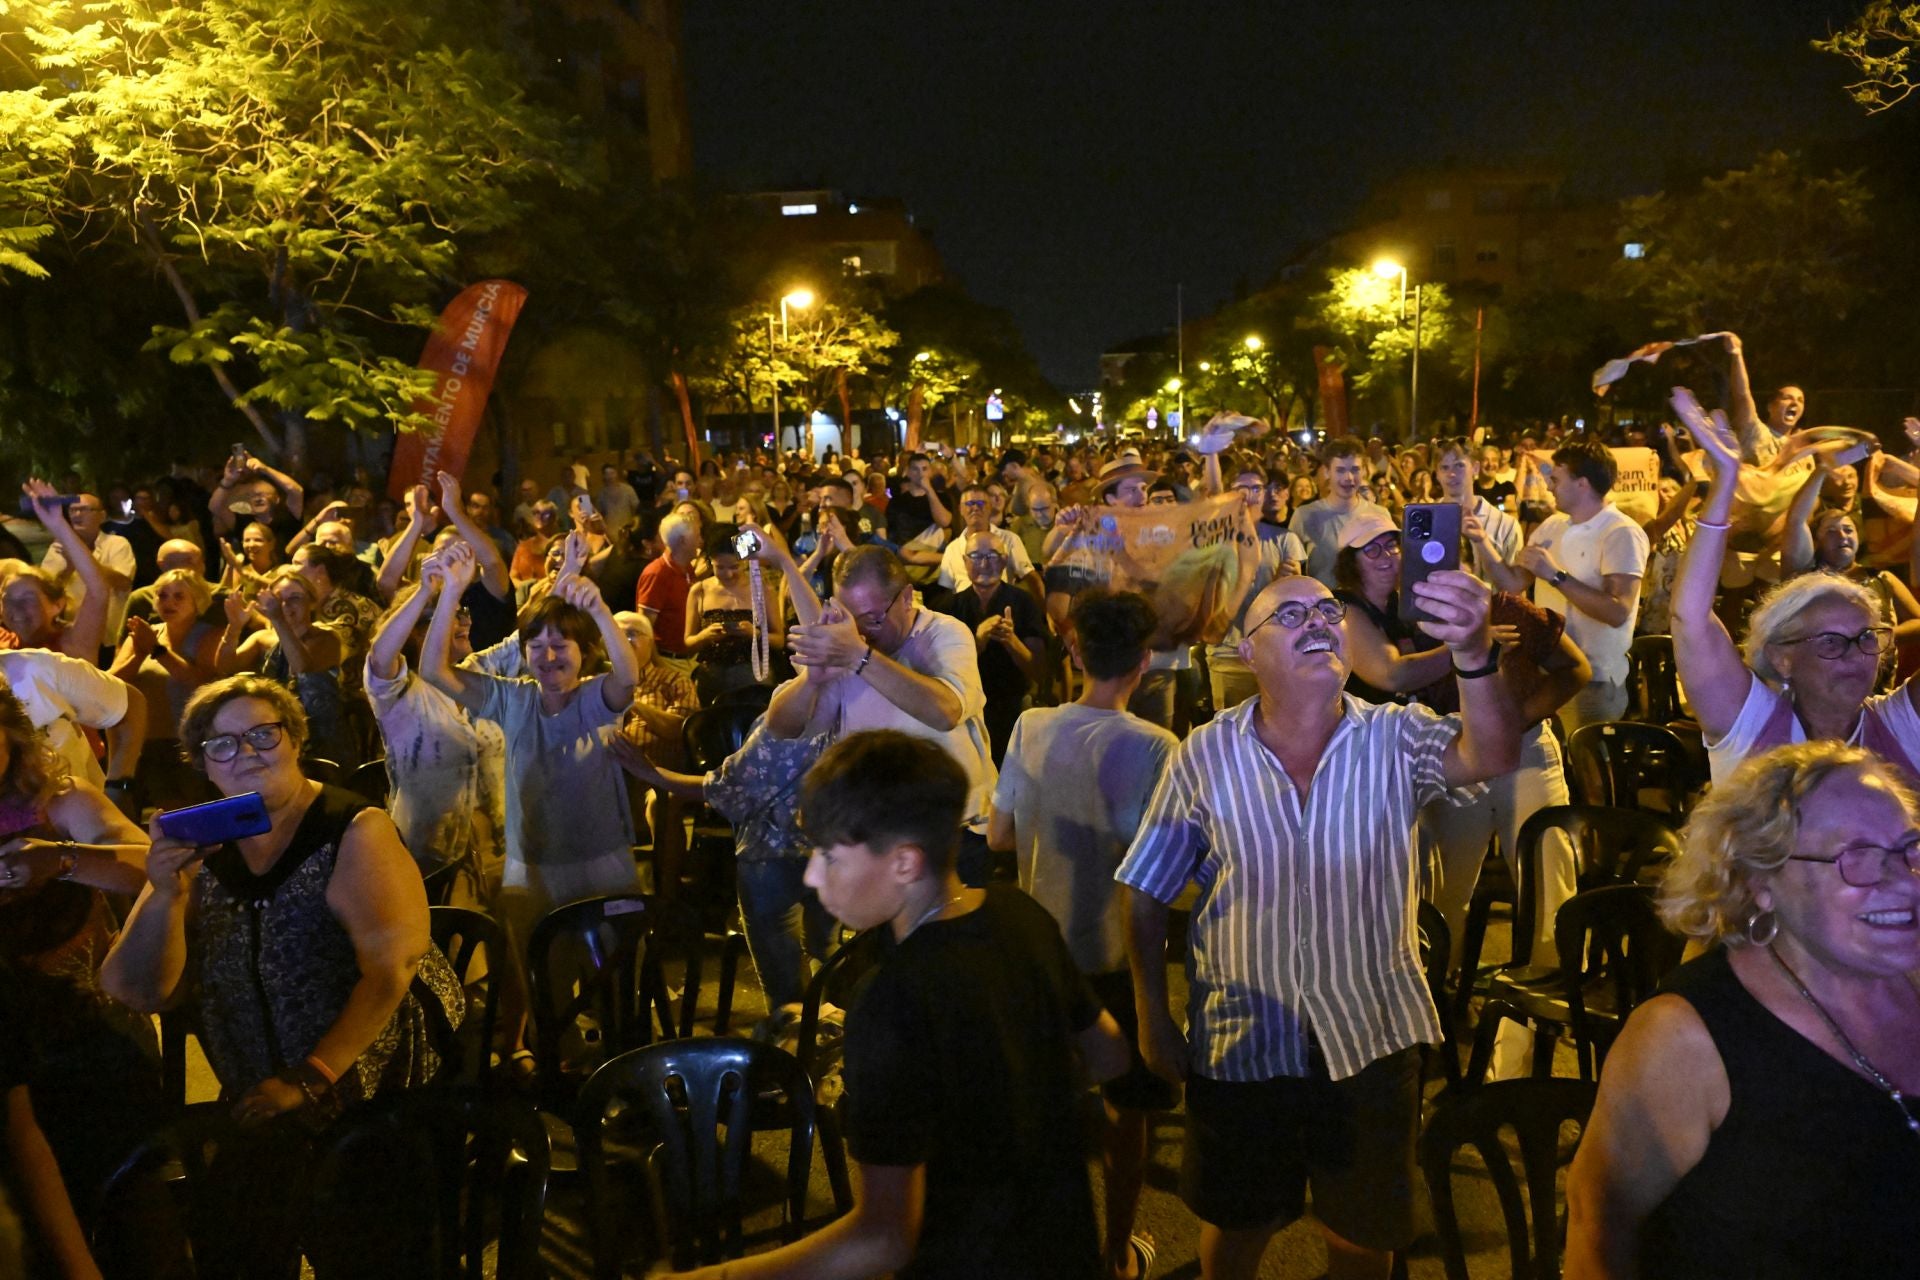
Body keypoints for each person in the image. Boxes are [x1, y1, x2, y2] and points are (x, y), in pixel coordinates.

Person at [1118, 568, 1519, 1280]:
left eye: (1328, 611)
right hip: (1242, 1040)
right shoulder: (1204, 755)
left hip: (1369, 1039)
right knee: (1239, 1224)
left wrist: (1474, 653)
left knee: (1364, 1238)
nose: (1318, 622)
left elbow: (1491, 753)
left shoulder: (1393, 738)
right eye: (1291, 614)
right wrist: (1153, 1016)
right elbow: (1146, 889)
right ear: (1249, 653)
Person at [678, 730, 1130, 1280]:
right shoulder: (1022, 917)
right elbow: (1109, 1054)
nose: (812, 875)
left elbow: (885, 1238)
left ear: (904, 863)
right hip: (1064, 1246)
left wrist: (720, 1277)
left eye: (828, 855)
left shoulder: (890, 1002)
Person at [100, 675, 463, 1278]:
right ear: (205, 766)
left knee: (353, 1239)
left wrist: (311, 1078)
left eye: (262, 735)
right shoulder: (204, 848)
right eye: (224, 745)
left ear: (295, 740)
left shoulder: (352, 829)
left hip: (373, 1083)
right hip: (262, 1087)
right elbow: (136, 990)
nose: (245, 754)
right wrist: (165, 892)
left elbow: (390, 970)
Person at [1564, 742, 1920, 1278]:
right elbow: (1598, 1224)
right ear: (1761, 882)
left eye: (1910, 849)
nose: (1904, 882)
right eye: (1857, 857)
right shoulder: (1687, 1037)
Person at [988, 589, 1176, 1280]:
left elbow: (1001, 835)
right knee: (1128, 1109)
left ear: (1073, 651)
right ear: (1146, 661)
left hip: (1040, 951)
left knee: (1043, 1105)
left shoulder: (1032, 726)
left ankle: (1042, 1246)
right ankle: (1114, 1250)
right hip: (1115, 954)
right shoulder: (1158, 747)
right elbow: (1165, 867)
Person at [1668, 389, 1920, 784]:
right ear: (1781, 657)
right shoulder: (1750, 723)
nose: (1856, 656)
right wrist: (1724, 485)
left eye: (1868, 637)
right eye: (1831, 642)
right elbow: (1690, 617)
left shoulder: (1900, 724)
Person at [0, 684, 160, 1267]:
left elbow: (150, 869)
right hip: (10, 1051)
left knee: (127, 1208)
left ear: (12, 738)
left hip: (92, 1038)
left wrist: (60, 860)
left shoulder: (55, 800)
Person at [417, 547, 641, 948]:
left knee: (616, 979)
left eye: (561, 645)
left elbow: (627, 678)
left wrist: (601, 611)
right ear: (523, 654)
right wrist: (451, 591)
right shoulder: (512, 699)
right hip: (531, 865)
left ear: (584, 653)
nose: (548, 656)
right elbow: (434, 671)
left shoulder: (595, 697)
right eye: (536, 646)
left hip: (601, 859)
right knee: (544, 986)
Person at [770, 546, 996, 879]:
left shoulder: (944, 633)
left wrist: (860, 657)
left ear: (907, 597)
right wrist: (811, 680)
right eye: (849, 618)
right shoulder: (847, 645)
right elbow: (782, 727)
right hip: (877, 835)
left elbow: (946, 712)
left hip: (953, 832)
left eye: (873, 618)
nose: (861, 632)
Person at [1510, 438, 1649, 731]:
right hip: (1547, 671)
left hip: (1594, 681)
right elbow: (1513, 582)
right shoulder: (1553, 525)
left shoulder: (1621, 532)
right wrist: (1479, 540)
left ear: (1582, 483)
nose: (1549, 485)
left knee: (1587, 770)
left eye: (1556, 479)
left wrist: (1556, 576)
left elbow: (1617, 612)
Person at [214, 564, 360, 772]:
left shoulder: (326, 638)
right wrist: (234, 627)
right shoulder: (262, 639)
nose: (285, 604)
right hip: (275, 732)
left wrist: (277, 619)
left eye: (295, 598)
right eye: (279, 599)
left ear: (311, 602)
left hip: (321, 737)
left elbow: (302, 667)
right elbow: (224, 667)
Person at [110, 568, 223, 810]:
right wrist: (139, 655)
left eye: (179, 596)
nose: (168, 602)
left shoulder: (210, 636)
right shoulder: (142, 635)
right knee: (133, 810)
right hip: (140, 744)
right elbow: (111, 683)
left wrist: (158, 650)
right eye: (162, 596)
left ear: (198, 601)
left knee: (185, 810)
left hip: (187, 744)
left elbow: (201, 684)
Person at [933, 532, 1049, 765]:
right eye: (975, 556)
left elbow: (1041, 672)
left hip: (1010, 703)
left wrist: (1011, 640)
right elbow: (939, 672)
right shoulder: (949, 608)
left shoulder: (1023, 602)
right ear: (965, 562)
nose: (984, 564)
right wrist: (976, 641)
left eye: (993, 556)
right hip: (964, 707)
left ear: (1005, 561)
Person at [684, 525, 786, 706]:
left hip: (753, 674)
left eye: (734, 566)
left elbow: (779, 640)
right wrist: (704, 636)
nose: (728, 574)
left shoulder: (762, 589)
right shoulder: (699, 591)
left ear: (745, 561)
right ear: (710, 562)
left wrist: (755, 634)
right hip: (711, 673)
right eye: (720, 567)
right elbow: (688, 643)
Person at [7, 484, 110, 662]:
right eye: (7, 598)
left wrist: (58, 524)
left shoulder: (73, 644)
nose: (16, 607)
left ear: (57, 605)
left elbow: (98, 590)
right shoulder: (5, 643)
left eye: (28, 598)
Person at [35, 492, 134, 650]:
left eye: (84, 509)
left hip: (107, 637)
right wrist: (68, 568)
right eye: (73, 510)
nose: (77, 514)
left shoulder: (117, 544)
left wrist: (80, 557)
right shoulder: (58, 547)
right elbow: (46, 589)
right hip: (68, 634)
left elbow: (123, 583)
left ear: (102, 516)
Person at [1289, 438, 1390, 588]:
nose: (1348, 478)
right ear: (1327, 471)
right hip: (1323, 607)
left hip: (1368, 608)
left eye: (1355, 470)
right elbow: (1291, 571)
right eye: (1340, 470)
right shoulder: (1304, 516)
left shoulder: (1380, 515)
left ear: (1364, 471)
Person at [634, 511, 699, 670]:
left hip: (691, 659)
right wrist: (661, 667)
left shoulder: (687, 568)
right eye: (697, 536)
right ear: (683, 541)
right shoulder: (657, 574)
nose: (701, 541)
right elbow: (644, 628)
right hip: (670, 663)